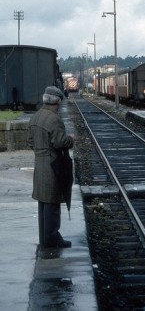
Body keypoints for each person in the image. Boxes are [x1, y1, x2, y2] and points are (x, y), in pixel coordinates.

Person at [28, 86, 75, 248]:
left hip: (39, 162)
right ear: (57, 101)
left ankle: (45, 237)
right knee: (52, 201)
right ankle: (52, 238)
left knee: (43, 201)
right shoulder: (54, 119)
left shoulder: (35, 117)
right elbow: (59, 142)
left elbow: (30, 142)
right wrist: (71, 139)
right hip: (52, 164)